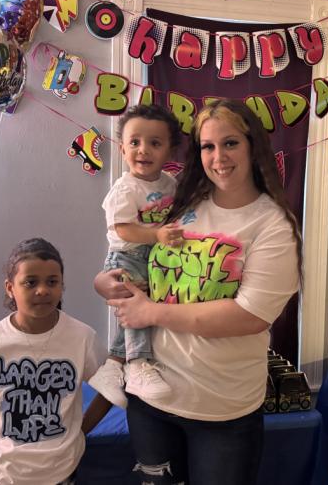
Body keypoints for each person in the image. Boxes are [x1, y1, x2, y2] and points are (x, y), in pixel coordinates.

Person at [95, 99, 303, 485]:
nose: (218, 157)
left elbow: (249, 316)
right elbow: (135, 254)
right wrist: (104, 282)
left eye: (230, 143)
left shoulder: (272, 225)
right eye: (208, 146)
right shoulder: (181, 203)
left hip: (221, 409)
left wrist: (151, 312)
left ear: (253, 145)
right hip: (151, 400)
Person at [0, 238, 106, 485]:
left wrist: (80, 430)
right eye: (30, 282)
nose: (42, 290)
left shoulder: (82, 337)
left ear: (62, 285)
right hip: (0, 473)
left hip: (59, 473)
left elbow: (109, 389)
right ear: (10, 288)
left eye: (52, 282)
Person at [88, 104, 183, 409]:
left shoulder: (169, 183)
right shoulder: (125, 189)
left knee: (142, 309)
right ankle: (138, 365)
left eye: (155, 143)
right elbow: (123, 228)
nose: (143, 150)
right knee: (136, 310)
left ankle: (112, 367)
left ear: (170, 150)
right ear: (122, 148)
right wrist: (157, 236)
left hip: (153, 257)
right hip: (126, 256)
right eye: (135, 142)